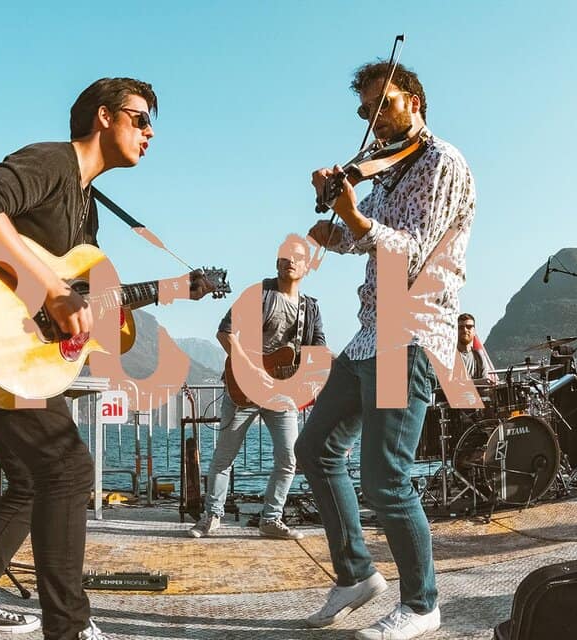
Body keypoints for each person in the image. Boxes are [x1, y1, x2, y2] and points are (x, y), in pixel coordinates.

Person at [0, 78, 213, 640]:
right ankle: (68, 629)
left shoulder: (87, 210)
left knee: (30, 480)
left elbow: (88, 297)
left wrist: (168, 291)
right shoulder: (51, 161)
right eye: (140, 119)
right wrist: (49, 289)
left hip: (7, 351)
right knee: (67, 471)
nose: (150, 132)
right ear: (103, 117)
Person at [296, 59, 475, 640]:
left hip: (409, 330)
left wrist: (351, 216)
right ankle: (354, 574)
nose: (373, 119)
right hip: (372, 333)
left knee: (386, 478)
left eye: (385, 105)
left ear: (415, 102)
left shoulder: (443, 163)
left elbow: (411, 249)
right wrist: (331, 220)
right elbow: (352, 236)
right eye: (365, 111)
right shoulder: (386, 176)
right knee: (316, 446)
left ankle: (422, 605)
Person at [189, 234, 326, 540]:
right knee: (224, 457)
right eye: (284, 256)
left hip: (281, 395)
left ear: (307, 266)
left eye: (297, 257)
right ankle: (211, 516)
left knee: (289, 457)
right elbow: (225, 333)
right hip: (243, 389)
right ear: (277, 263)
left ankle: (271, 519)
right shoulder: (260, 294)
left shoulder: (311, 309)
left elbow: (318, 353)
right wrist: (251, 369)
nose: (290, 261)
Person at [455, 313, 496, 383]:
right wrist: (479, 382)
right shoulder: (449, 357)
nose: (465, 330)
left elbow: (485, 382)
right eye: (461, 327)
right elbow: (450, 383)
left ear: (474, 331)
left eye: (469, 326)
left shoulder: (479, 356)